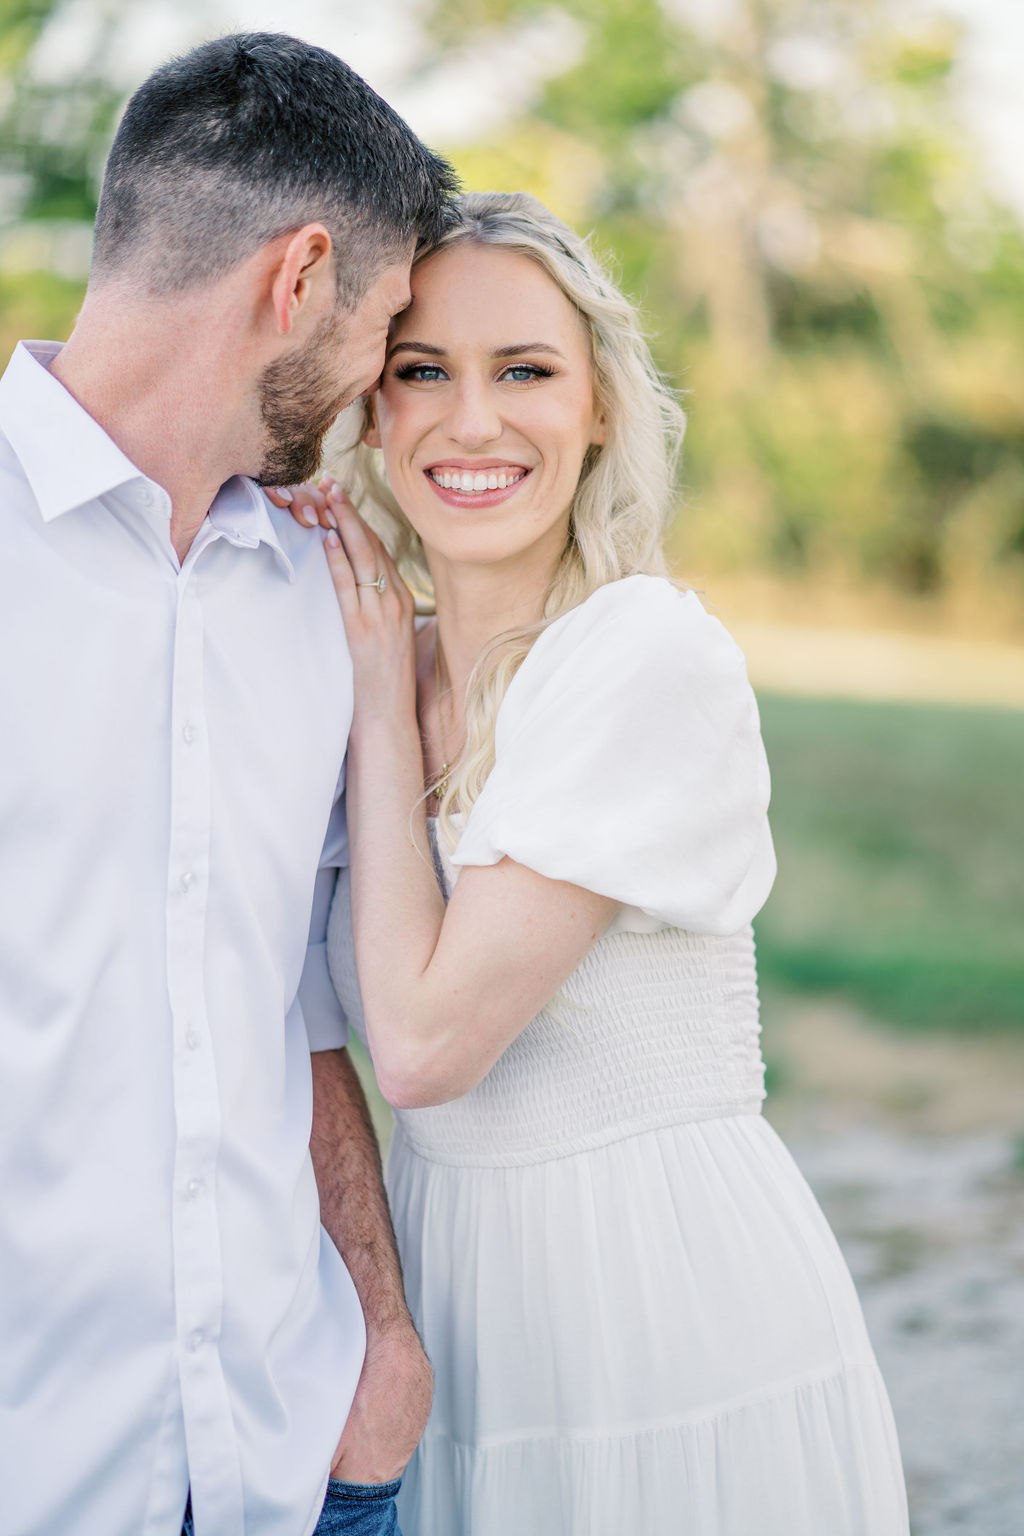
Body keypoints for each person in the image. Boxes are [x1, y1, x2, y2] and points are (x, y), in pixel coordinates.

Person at [278, 190, 910, 1535]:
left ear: (602, 407)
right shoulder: (363, 654)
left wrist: (382, 724)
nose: (473, 420)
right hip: (450, 1301)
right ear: (374, 411)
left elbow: (428, 1049)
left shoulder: (642, 657)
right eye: (422, 372)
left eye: (527, 371)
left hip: (661, 1308)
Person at [0, 33, 458, 1536]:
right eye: (387, 326)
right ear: (302, 276)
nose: (374, 389)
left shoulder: (319, 594)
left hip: (290, 1457)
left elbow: (291, 1001)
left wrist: (382, 1338)